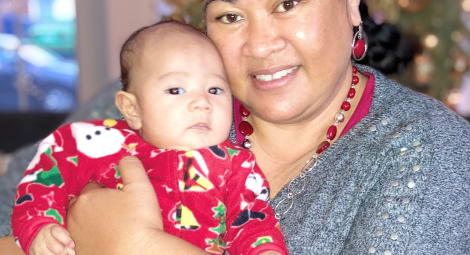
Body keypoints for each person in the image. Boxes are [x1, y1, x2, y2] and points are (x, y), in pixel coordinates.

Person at [2, 0, 470, 254]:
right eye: (230, 16)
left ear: (351, 6)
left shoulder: (428, 154)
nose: (261, 45)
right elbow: (13, 204)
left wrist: (136, 245)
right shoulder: (155, 89)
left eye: (287, 3)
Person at [10, 20, 287, 255]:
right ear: (132, 108)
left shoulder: (237, 165)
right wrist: (39, 227)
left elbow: (252, 222)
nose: (202, 103)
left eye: (215, 89)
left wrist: (265, 249)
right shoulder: (92, 143)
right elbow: (42, 185)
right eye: (176, 90)